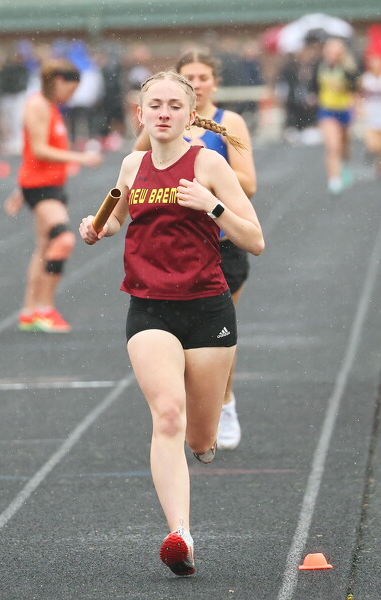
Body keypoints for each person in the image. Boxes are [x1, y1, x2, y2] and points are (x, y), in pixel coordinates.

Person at [79, 70, 264, 576]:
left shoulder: (207, 163)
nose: (163, 113)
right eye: (155, 105)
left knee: (200, 440)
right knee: (166, 416)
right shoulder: (132, 164)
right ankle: (180, 534)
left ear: (190, 115)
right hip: (149, 308)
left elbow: (254, 239)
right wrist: (96, 228)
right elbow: (114, 217)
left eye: (174, 106)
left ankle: (204, 446)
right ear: (140, 115)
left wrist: (212, 205)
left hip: (207, 310)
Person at [133, 49, 257, 451]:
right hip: (171, 251)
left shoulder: (228, 123)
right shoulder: (161, 123)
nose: (198, 83)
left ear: (214, 83)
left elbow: (249, 183)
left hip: (221, 246)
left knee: (216, 333)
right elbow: (138, 165)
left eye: (204, 77)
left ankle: (224, 401)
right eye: (191, 77)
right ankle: (189, 407)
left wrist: (202, 169)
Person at [4, 58, 103, 332]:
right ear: (59, 81)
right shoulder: (37, 105)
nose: (72, 96)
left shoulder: (50, 107)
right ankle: (45, 309)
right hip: (41, 188)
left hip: (48, 186)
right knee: (63, 239)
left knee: (43, 249)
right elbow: (38, 149)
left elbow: (31, 153)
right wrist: (81, 157)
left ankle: (29, 311)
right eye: (71, 89)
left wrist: (19, 189)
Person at [310, 37, 359, 195]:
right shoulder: (319, 66)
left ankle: (343, 166)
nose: (331, 55)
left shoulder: (346, 68)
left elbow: (355, 86)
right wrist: (313, 98)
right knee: (333, 146)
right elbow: (313, 86)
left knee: (344, 146)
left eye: (335, 53)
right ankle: (334, 179)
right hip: (327, 110)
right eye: (329, 52)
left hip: (344, 110)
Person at [358, 54, 381, 179]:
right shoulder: (365, 80)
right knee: (374, 144)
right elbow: (359, 95)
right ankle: (371, 151)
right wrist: (360, 108)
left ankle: (380, 169)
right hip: (371, 115)